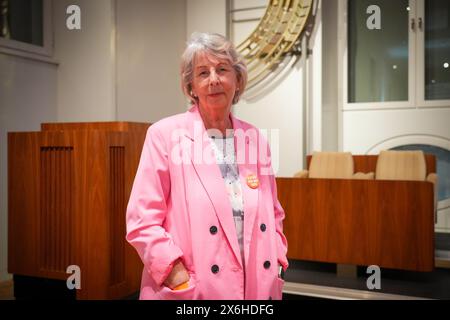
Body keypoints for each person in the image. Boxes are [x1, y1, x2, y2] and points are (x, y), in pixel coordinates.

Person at [126, 32, 288, 300]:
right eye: (202, 73)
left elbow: (274, 212)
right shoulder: (164, 135)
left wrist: (278, 259)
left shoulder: (255, 139)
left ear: (237, 80)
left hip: (256, 288)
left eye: (222, 69)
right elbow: (141, 221)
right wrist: (175, 275)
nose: (213, 79)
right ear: (191, 86)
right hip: (195, 291)